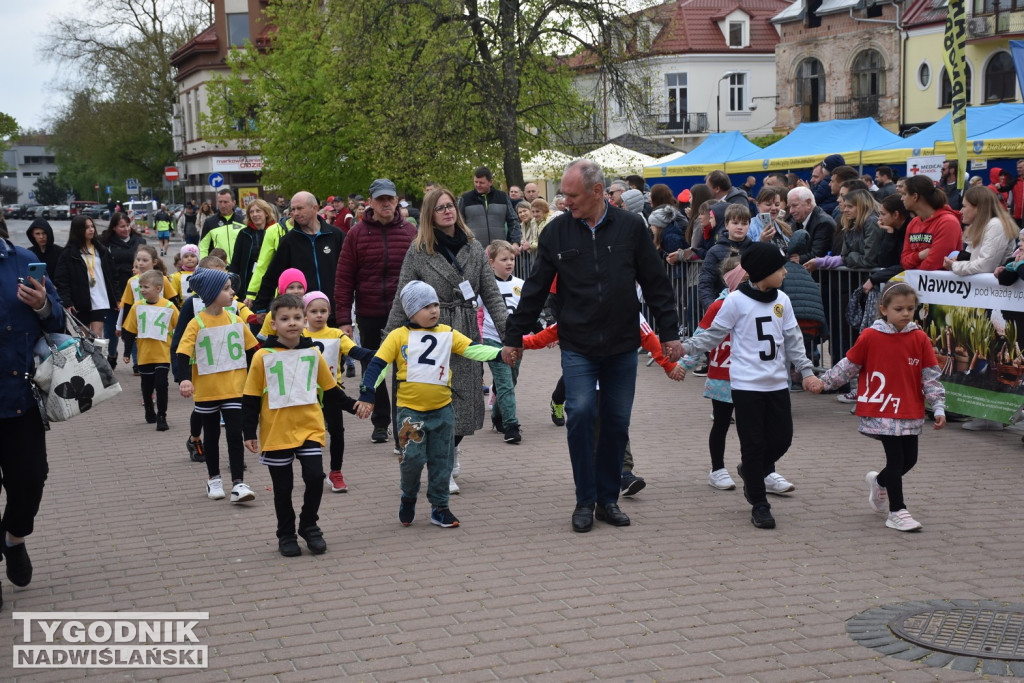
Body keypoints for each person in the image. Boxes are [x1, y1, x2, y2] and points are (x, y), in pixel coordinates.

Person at [502, 159, 682, 533]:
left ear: (598, 192)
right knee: (581, 413)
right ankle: (585, 500)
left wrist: (669, 333)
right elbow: (535, 290)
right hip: (578, 344)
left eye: (572, 195)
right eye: (563, 195)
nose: (565, 202)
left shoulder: (632, 227)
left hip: (621, 345)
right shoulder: (556, 234)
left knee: (616, 422)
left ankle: (607, 500)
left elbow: (656, 283)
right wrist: (514, 338)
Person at [682, 243, 821, 529]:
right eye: (779, 269)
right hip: (746, 386)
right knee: (753, 444)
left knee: (782, 438)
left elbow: (794, 340)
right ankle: (759, 503)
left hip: (777, 385)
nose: (784, 273)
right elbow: (712, 335)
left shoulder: (783, 299)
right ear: (761, 273)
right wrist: (684, 349)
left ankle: (751, 471)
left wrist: (806, 372)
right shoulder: (735, 302)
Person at [386, 187, 509, 491]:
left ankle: (451, 451)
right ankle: (441, 461)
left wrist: (510, 333)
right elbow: (403, 297)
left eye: (450, 206)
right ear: (429, 214)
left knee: (466, 400)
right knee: (436, 401)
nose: (447, 211)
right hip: (431, 333)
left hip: (465, 330)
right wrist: (389, 339)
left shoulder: (474, 247)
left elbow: (491, 294)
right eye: (440, 207)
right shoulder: (419, 250)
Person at [357, 281, 502, 529]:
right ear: (411, 311)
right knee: (412, 459)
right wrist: (367, 392)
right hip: (410, 413)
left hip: (443, 411)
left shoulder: (447, 333)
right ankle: (409, 495)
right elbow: (377, 365)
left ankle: (440, 507)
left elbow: (473, 350)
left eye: (435, 304)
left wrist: (499, 353)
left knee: (441, 460)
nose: (434, 310)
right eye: (426, 306)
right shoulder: (398, 336)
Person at [811, 282, 946, 532]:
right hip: (882, 408)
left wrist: (938, 406)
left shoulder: (920, 338)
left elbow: (930, 375)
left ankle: (879, 481)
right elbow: (848, 365)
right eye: (899, 309)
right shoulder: (871, 336)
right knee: (896, 460)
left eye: (910, 308)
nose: (905, 313)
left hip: (909, 408)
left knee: (910, 460)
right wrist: (824, 382)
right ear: (884, 310)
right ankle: (897, 511)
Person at [242, 294, 352, 556]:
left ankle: (309, 524)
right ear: (273, 324)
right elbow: (250, 397)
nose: (291, 323)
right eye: (284, 318)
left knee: (315, 477)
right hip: (276, 431)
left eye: (296, 318)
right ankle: (286, 533)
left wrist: (355, 405)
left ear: (304, 321)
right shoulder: (262, 357)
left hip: (309, 427)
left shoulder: (313, 353)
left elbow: (331, 390)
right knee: (283, 488)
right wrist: (248, 432)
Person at [0, 224, 65, 605]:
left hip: (18, 396)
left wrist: (42, 303)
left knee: (30, 480)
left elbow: (56, 321)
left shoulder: (24, 261)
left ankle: (14, 537)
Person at [334, 178, 417, 446]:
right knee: (374, 368)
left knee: (406, 371)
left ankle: (405, 422)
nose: (385, 204)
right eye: (380, 199)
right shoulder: (356, 234)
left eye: (389, 199)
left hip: (405, 314)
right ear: (370, 202)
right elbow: (344, 279)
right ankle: (380, 422)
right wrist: (344, 320)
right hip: (369, 313)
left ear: (396, 201)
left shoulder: (409, 232)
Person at [176, 267, 260, 504]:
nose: (232, 292)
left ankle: (238, 483)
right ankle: (214, 479)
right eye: (226, 288)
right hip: (206, 391)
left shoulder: (235, 319)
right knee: (211, 436)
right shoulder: (197, 323)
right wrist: (184, 379)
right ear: (212, 293)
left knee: (235, 435)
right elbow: (183, 353)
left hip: (235, 388)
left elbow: (253, 350)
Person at [301, 291, 373, 493]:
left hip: (333, 391)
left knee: (337, 433)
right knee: (310, 434)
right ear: (305, 314)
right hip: (305, 393)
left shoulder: (336, 334)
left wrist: (379, 354)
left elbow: (355, 352)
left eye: (323, 311)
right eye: (313, 311)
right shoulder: (300, 335)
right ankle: (311, 471)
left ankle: (336, 472)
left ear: (329, 313)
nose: (319, 315)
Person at [254, 192, 344, 324]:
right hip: (301, 316)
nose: (295, 213)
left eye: (300, 208)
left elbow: (350, 272)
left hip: (333, 313)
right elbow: (272, 275)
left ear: (315, 208)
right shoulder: (289, 241)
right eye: (293, 209)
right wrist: (260, 307)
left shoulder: (335, 235)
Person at [120, 270, 180, 431]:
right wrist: (126, 352)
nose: (142, 290)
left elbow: (180, 328)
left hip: (162, 354)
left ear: (158, 288)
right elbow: (130, 331)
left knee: (161, 385)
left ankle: (162, 416)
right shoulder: (137, 307)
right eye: (140, 287)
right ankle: (149, 409)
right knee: (146, 387)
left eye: (146, 287)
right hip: (144, 355)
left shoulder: (169, 306)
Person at [479, 240, 524, 443]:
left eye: (512, 259)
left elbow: (527, 312)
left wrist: (539, 331)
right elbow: (473, 306)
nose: (509, 263)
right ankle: (511, 426)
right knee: (505, 383)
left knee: (510, 381)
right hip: (492, 340)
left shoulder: (520, 284)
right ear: (491, 262)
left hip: (515, 342)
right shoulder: (487, 285)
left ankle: (497, 414)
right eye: (503, 259)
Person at [54, 215, 117, 338]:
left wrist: (117, 297)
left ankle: (99, 358)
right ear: (78, 230)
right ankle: (88, 358)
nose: (91, 229)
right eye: (86, 227)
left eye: (92, 226)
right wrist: (67, 301)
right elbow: (62, 280)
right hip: (80, 302)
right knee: (85, 338)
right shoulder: (68, 254)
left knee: (97, 336)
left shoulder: (101, 250)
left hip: (100, 299)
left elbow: (112, 275)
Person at [100, 211, 148, 364]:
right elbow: (105, 269)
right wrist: (116, 297)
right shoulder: (105, 243)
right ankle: (112, 355)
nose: (126, 229)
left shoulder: (139, 241)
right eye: (122, 226)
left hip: (136, 290)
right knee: (112, 329)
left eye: (127, 225)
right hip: (113, 291)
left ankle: (137, 362)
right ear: (114, 227)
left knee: (134, 328)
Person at [943, 185, 1017, 276]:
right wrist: (958, 259)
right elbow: (972, 258)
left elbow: (986, 266)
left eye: (964, 206)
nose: (961, 211)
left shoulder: (996, 225)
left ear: (978, 208)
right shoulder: (979, 226)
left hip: (992, 288)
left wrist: (955, 265)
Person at [900, 175, 963, 271]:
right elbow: (904, 262)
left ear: (915, 197)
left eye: (904, 194)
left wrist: (914, 268)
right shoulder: (914, 223)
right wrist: (920, 256)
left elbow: (934, 264)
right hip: (918, 282)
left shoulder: (947, 222)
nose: (902, 198)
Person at [698, 204, 753, 309]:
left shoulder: (754, 249)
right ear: (726, 224)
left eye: (744, 223)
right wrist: (711, 307)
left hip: (751, 307)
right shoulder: (714, 251)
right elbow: (706, 283)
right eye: (735, 223)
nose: (740, 227)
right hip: (724, 306)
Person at [457, 166, 522, 247]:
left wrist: (515, 242)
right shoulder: (466, 198)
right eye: (476, 182)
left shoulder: (503, 197)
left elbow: (513, 221)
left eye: (481, 183)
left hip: (499, 250)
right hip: (474, 250)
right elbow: (459, 223)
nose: (478, 185)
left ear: (490, 182)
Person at [230, 198, 275, 301]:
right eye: (251, 212)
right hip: (248, 281)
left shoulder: (275, 231)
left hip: (270, 279)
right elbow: (236, 261)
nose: (255, 214)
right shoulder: (244, 234)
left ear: (266, 213)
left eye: (258, 211)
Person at [787, 187, 836, 264]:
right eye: (789, 207)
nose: (791, 211)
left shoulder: (824, 223)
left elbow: (818, 254)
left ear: (808, 203)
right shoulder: (797, 221)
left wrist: (798, 259)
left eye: (794, 205)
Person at [199, 190, 246, 261]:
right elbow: (203, 247)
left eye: (226, 202)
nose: (223, 205)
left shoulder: (243, 221)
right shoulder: (209, 222)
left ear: (234, 203)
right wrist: (204, 265)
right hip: (218, 266)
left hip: (239, 266)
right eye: (220, 202)